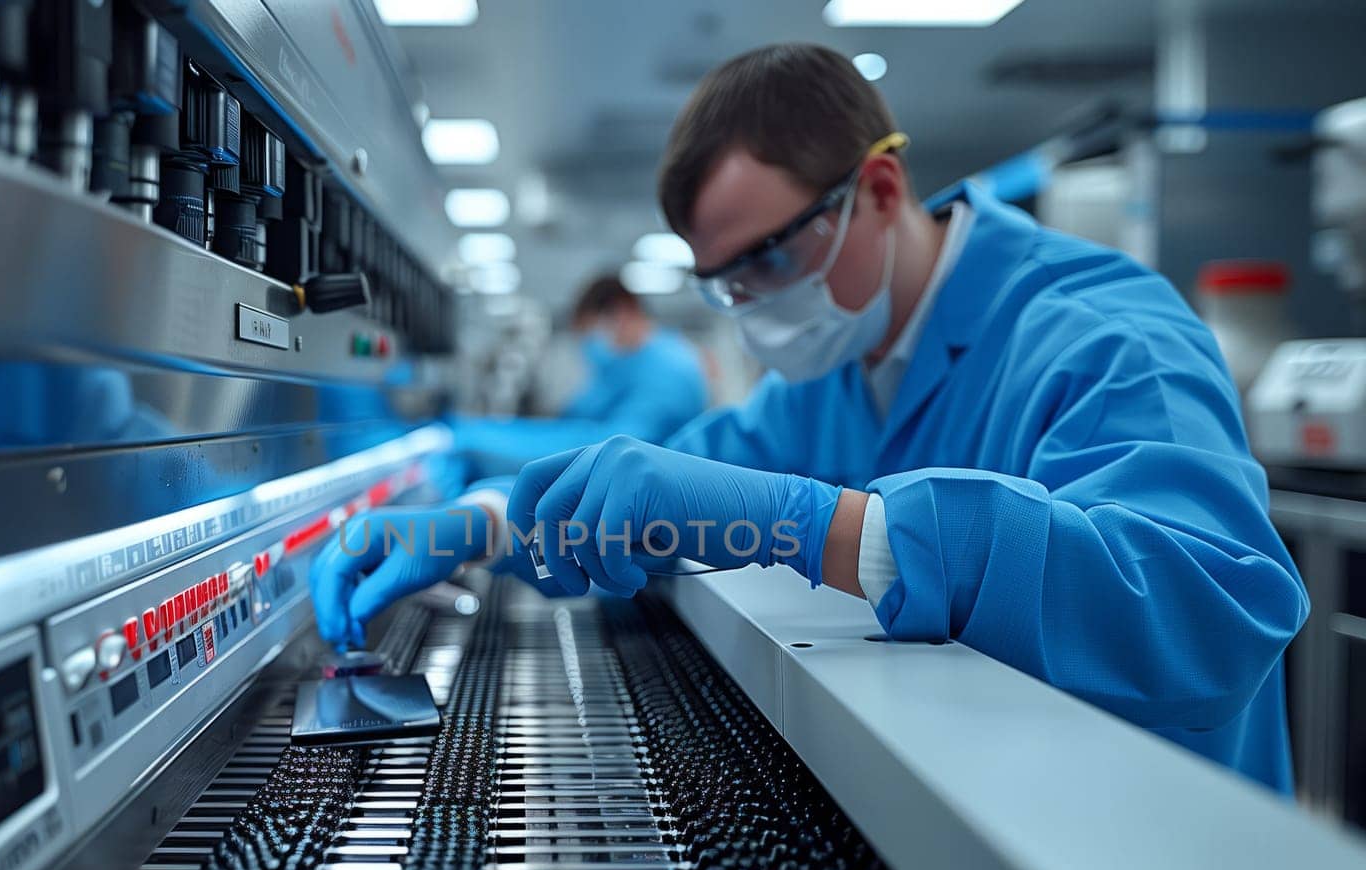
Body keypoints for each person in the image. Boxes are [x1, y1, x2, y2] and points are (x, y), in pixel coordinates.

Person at [312, 44, 1306, 792]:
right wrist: (485, 519)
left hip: (1146, 864)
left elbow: (1210, 603)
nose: (750, 311)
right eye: (723, 285)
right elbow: (665, 479)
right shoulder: (831, 375)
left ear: (876, 189)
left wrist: (811, 524)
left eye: (768, 263)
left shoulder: (1099, 331)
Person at [442, 274, 708, 485]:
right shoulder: (623, 365)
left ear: (621, 314)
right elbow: (574, 419)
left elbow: (610, 450)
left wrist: (480, 441)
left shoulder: (671, 372)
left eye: (591, 333)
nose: (589, 348)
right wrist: (489, 430)